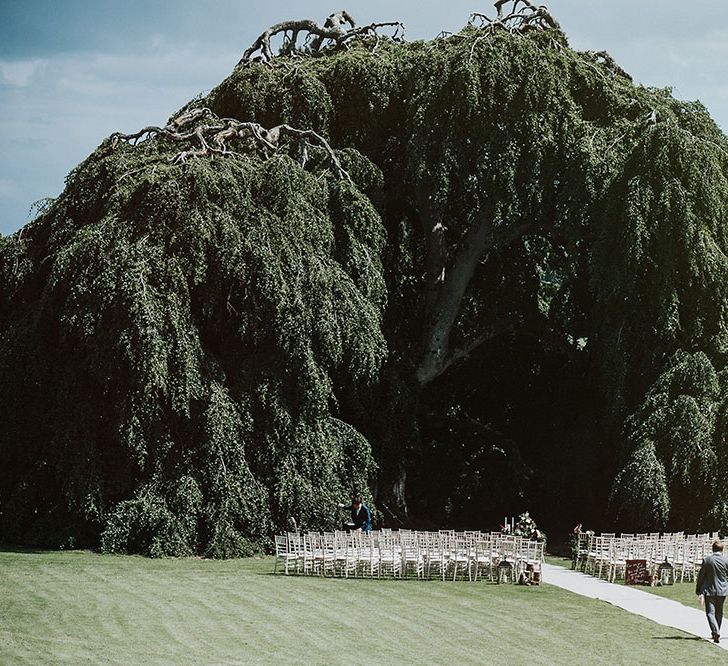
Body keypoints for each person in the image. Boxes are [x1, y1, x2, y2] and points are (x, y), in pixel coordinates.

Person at [696, 539, 728, 643]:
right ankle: (716, 631)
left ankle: (715, 631)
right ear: (722, 550)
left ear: (712, 549)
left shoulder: (707, 560)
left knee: (710, 613)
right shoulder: (726, 560)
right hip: (722, 590)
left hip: (709, 590)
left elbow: (701, 576)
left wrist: (699, 590)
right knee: (719, 612)